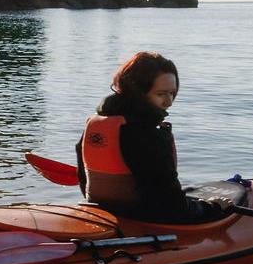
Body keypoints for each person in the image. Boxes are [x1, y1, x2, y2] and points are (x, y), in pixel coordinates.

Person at [77, 50, 228, 225]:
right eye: (161, 94)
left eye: (172, 93)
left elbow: (83, 178)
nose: (169, 101)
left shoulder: (97, 124)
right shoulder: (147, 135)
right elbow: (172, 207)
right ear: (138, 92)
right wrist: (213, 208)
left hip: (100, 211)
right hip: (143, 217)